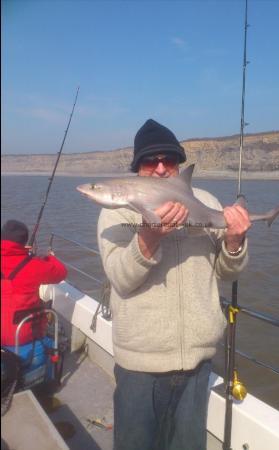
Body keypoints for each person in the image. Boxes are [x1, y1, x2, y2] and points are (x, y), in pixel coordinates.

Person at [97, 119, 251, 450]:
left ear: (180, 164)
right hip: (141, 367)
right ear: (138, 167)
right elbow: (121, 281)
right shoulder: (117, 212)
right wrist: (148, 238)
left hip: (198, 365)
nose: (161, 167)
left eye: (169, 158)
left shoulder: (205, 199)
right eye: (151, 160)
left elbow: (226, 273)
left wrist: (234, 242)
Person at [1, 220, 67, 348]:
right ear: (24, 241)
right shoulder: (34, 265)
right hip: (23, 335)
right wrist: (50, 257)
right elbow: (61, 273)